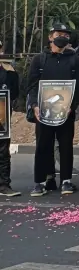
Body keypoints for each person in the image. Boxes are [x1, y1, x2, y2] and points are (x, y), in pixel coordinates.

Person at [28, 23, 79, 196]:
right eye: (59, 34)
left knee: (66, 145)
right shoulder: (40, 59)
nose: (62, 38)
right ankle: (40, 182)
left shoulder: (75, 60)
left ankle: (66, 181)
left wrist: (71, 107)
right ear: (50, 37)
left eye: (66, 36)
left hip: (65, 111)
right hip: (43, 111)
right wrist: (35, 106)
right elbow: (31, 85)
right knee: (43, 146)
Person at [0, 58, 19, 196]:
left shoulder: (8, 71)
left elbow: (15, 92)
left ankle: (4, 184)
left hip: (2, 117)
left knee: (3, 151)